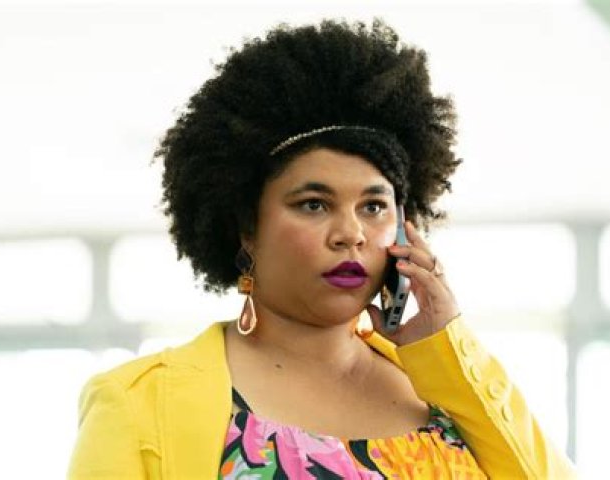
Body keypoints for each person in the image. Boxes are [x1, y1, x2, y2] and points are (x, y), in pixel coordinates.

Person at [68, 19, 576, 479]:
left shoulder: (448, 388)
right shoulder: (138, 404)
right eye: (313, 204)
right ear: (247, 227)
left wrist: (447, 349)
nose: (350, 233)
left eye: (374, 207)